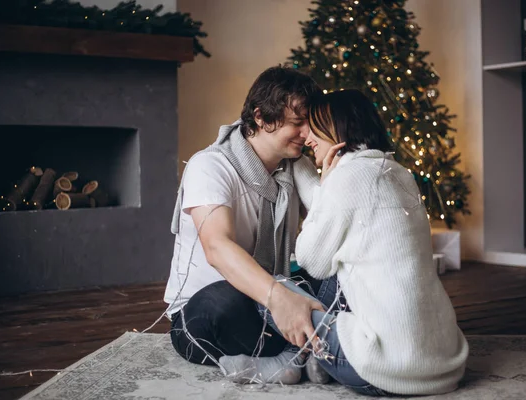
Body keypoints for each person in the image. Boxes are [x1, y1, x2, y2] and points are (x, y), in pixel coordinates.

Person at [221, 89, 469, 396]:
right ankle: (301, 360)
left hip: (383, 372)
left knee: (269, 288)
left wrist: (310, 167)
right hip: (441, 365)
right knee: (340, 270)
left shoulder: (350, 178)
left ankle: (295, 359)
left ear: (338, 128)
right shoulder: (395, 171)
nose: (308, 136)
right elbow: (336, 209)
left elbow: (312, 259)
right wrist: (309, 168)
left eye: (315, 126)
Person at [164, 66, 327, 370]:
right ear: (261, 117)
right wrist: (279, 298)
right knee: (224, 305)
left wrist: (333, 173)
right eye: (298, 123)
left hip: (275, 294)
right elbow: (217, 248)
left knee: (335, 276)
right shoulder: (210, 166)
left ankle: (305, 351)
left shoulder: (295, 167)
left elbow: (333, 228)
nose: (307, 133)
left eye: (310, 123)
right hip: (205, 309)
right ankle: (324, 346)